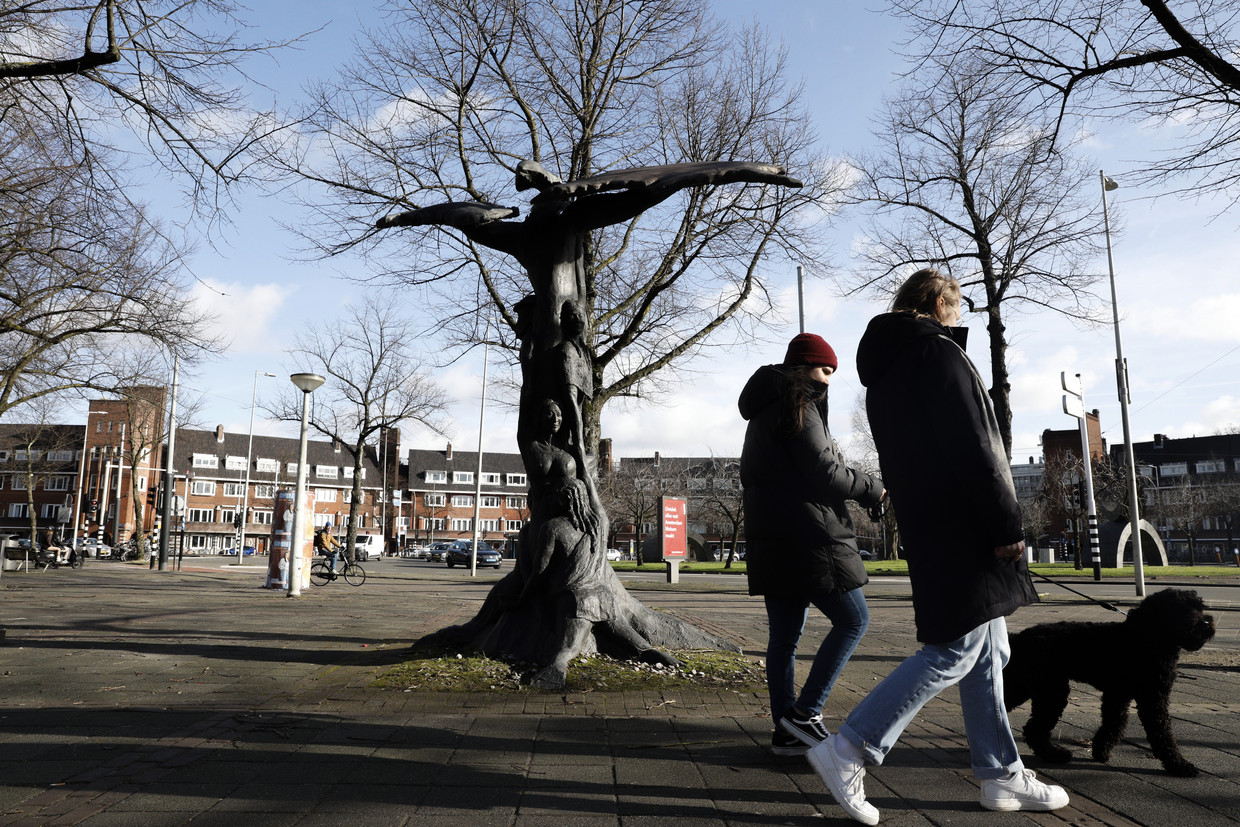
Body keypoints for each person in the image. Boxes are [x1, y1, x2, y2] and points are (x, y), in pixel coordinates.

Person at [808, 269, 1067, 824]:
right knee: (957, 649)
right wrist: (1005, 524)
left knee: (990, 650)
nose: (959, 317)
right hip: (965, 524)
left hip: (931, 521)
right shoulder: (939, 356)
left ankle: (1000, 775)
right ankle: (849, 746)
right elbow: (977, 445)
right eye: (957, 306)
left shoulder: (886, 371)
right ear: (937, 303)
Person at [739, 333, 884, 757]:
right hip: (810, 536)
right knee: (854, 620)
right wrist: (871, 487)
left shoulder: (764, 411)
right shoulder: (798, 403)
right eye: (824, 369)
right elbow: (826, 473)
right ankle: (805, 714)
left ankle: (787, 732)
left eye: (833, 372)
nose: (829, 380)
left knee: (784, 638)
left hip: (775, 538)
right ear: (802, 367)